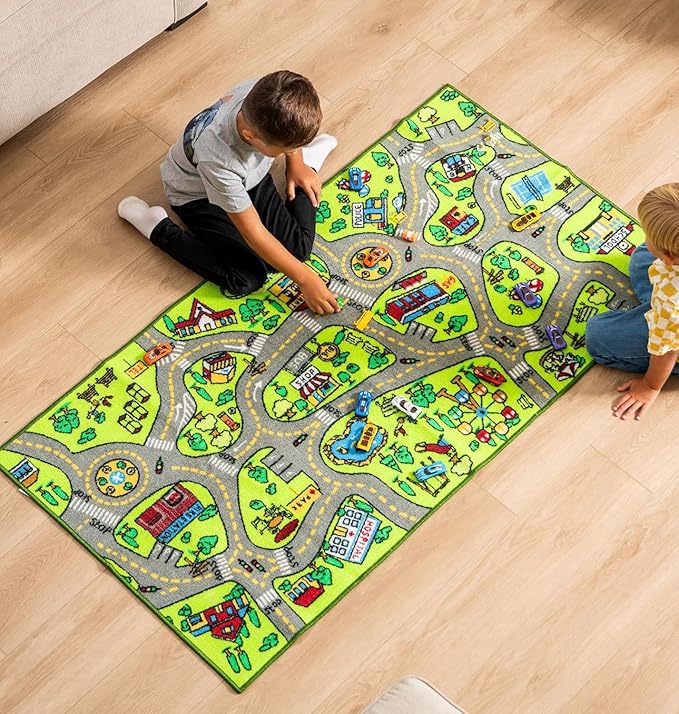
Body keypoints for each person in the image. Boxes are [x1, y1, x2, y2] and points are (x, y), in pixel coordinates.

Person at [117, 70, 340, 314]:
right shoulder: (218, 159)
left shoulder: (265, 91)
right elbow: (254, 233)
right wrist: (305, 280)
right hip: (197, 196)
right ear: (250, 136)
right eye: (286, 150)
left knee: (298, 251)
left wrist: (296, 163)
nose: (289, 153)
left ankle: (308, 163)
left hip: (248, 177)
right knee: (247, 278)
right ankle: (158, 227)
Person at [586, 183, 679, 420]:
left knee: (597, 336)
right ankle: (652, 312)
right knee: (643, 256)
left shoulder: (672, 302)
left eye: (647, 233)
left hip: (672, 341)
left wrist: (650, 386)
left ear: (670, 258)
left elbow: (667, 350)